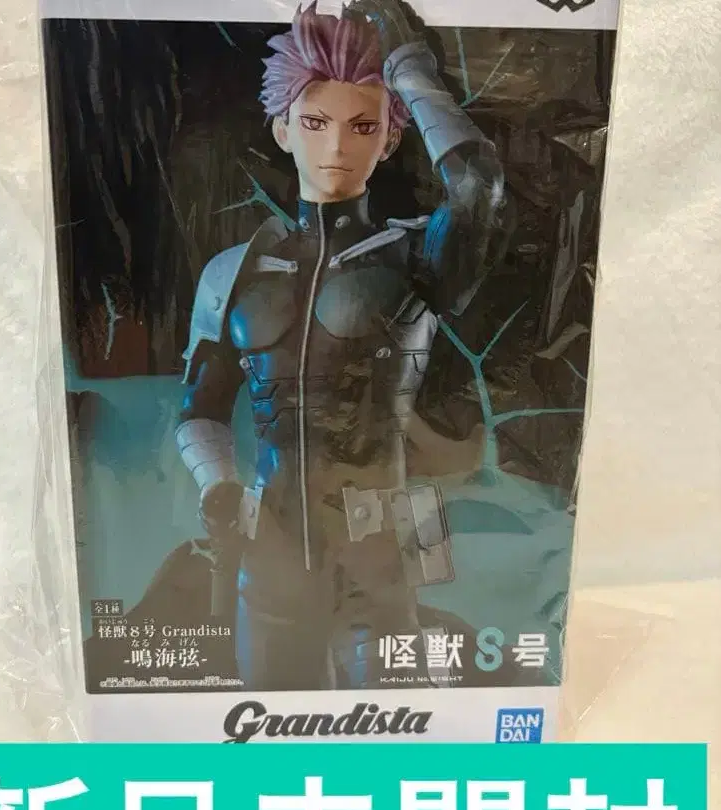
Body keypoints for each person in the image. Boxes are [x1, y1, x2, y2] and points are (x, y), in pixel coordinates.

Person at [175, 0, 509, 690]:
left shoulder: (416, 257)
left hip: (382, 546)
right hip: (271, 543)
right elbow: (201, 409)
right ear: (282, 129)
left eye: (363, 126)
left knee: (388, 728)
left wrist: (409, 66)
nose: (336, 147)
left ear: (389, 139)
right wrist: (219, 486)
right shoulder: (235, 272)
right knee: (271, 728)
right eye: (315, 122)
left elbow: (478, 187)